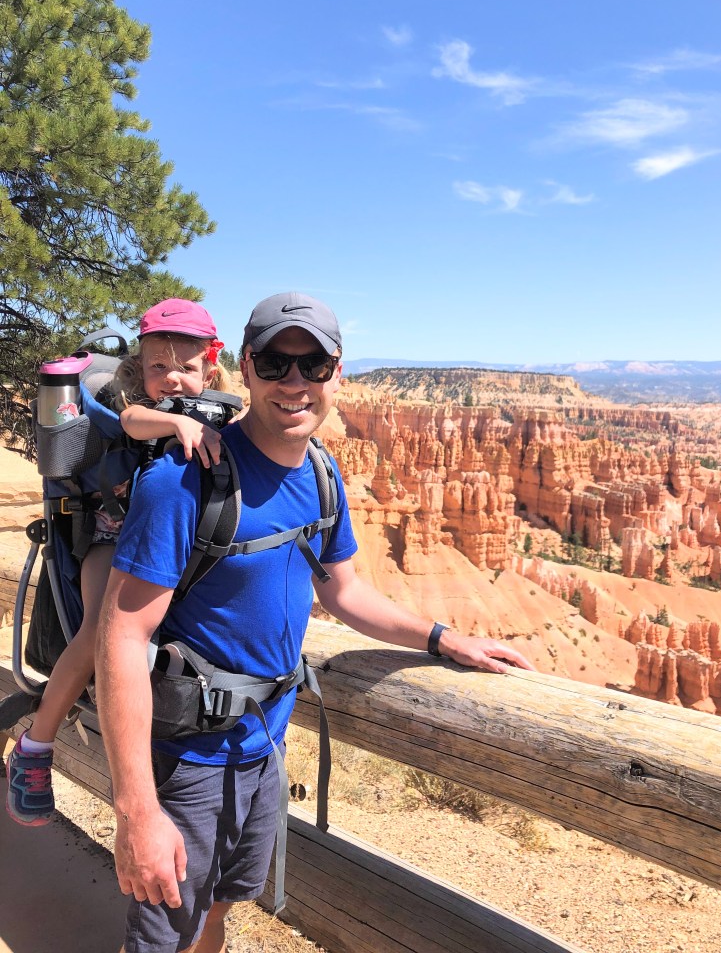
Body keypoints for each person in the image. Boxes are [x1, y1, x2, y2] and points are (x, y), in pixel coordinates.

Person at [95, 291, 536, 953]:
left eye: (312, 365)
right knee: (161, 939)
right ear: (244, 369)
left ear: (337, 372)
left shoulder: (322, 475)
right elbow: (121, 640)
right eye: (274, 363)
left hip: (266, 750)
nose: (294, 383)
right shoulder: (183, 482)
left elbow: (344, 592)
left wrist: (444, 639)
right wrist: (137, 813)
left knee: (217, 913)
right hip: (186, 759)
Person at [5, 298, 232, 827]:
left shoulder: (217, 408)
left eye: (187, 367)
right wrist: (177, 427)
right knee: (101, 631)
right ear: (139, 366)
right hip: (111, 538)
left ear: (210, 368)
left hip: (172, 547)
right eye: (159, 366)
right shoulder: (130, 400)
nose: (172, 378)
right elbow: (132, 422)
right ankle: (36, 746)